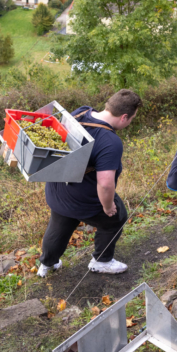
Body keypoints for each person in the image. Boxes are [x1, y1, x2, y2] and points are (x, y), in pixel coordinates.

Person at [37, 89, 142, 277]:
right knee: (116, 217)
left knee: (59, 224)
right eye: (132, 118)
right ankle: (102, 261)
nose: (131, 122)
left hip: (57, 188)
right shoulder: (110, 142)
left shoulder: (81, 112)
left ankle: (47, 265)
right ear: (124, 117)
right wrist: (108, 207)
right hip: (82, 198)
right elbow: (105, 185)